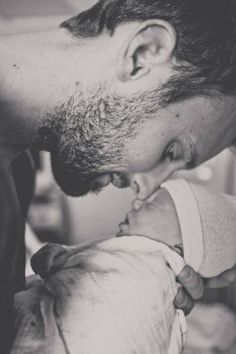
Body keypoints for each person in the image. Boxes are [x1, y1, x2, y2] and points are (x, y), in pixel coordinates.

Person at [0, 0, 236, 349]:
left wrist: (102, 299)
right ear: (143, 54)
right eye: (172, 151)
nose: (146, 188)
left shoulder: (17, 172)